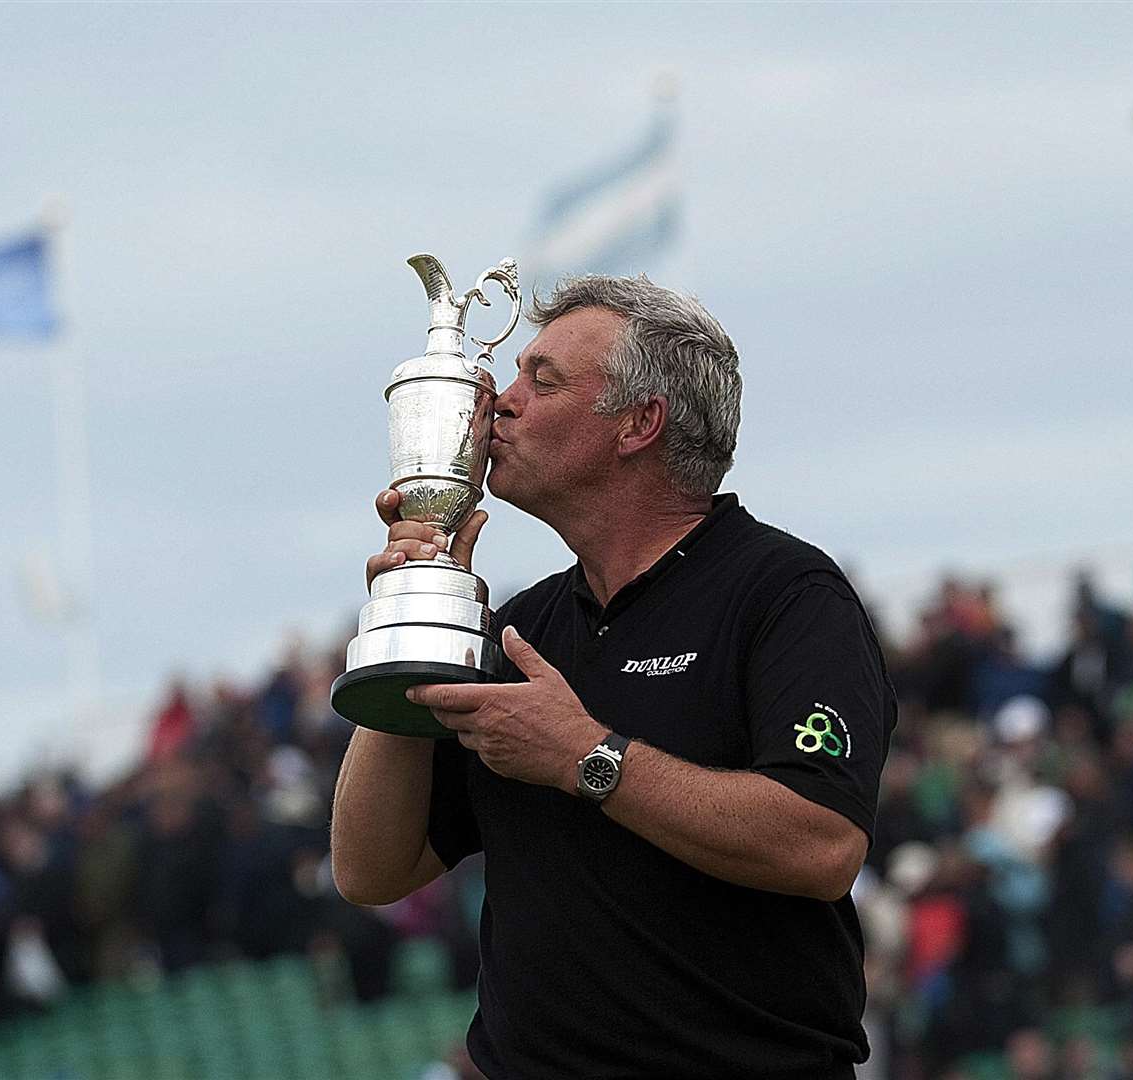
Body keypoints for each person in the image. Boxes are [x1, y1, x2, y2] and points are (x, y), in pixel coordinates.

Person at [331, 275, 896, 1080]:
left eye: (543, 379)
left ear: (639, 423)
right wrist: (411, 621)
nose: (502, 402)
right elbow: (371, 869)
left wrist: (587, 756)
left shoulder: (785, 594)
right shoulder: (520, 626)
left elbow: (822, 842)